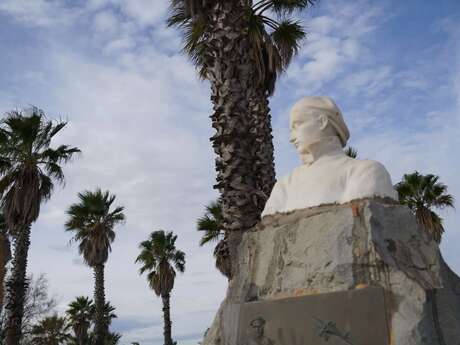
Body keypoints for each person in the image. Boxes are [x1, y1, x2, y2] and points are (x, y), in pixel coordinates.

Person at [262, 96, 397, 217]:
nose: (291, 138)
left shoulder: (366, 172)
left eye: (296, 126)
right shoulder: (285, 185)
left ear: (322, 122)